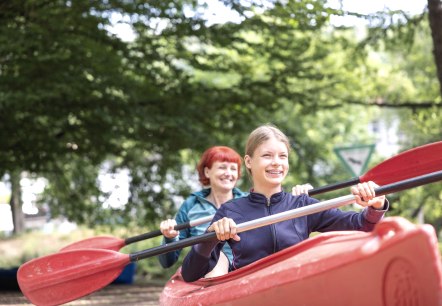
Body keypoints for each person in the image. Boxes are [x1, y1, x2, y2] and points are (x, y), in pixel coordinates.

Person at [181, 124, 389, 282]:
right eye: (267, 155)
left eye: (283, 156)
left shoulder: (303, 205)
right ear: (249, 162)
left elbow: (362, 225)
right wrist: (211, 237)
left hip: (296, 290)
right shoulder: (231, 211)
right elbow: (191, 273)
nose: (277, 163)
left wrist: (375, 206)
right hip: (249, 294)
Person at [159, 145, 312, 278]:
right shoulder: (191, 206)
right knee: (219, 258)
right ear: (207, 172)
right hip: (210, 270)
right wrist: (169, 238)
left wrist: (300, 198)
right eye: (222, 167)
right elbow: (167, 261)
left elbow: (277, 223)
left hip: (248, 266)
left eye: (233, 169)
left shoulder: (250, 201)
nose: (229, 173)